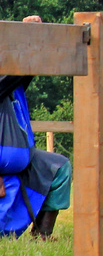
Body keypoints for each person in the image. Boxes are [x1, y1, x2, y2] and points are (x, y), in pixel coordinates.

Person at [1, 16, 72, 239]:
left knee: (59, 168)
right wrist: (29, 35)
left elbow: (25, 69)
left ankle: (42, 237)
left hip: (23, 162)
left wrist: (33, 36)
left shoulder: (11, 80)